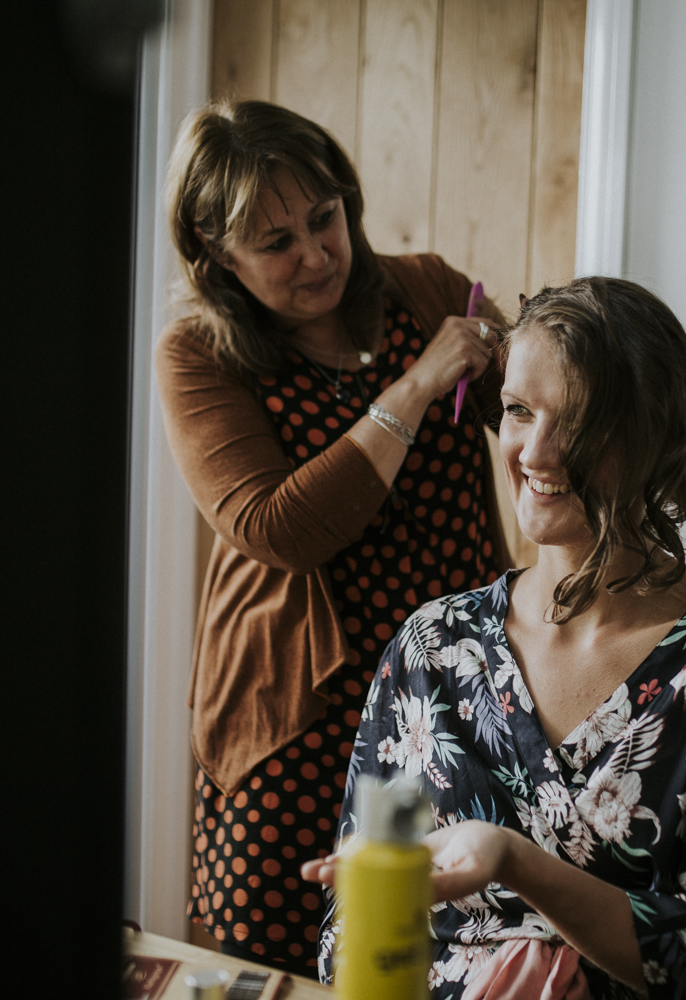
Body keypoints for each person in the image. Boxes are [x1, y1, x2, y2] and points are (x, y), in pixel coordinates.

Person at [305, 277, 686, 999]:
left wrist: (517, 864)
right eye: (518, 411)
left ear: (651, 437)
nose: (534, 452)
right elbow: (346, 938)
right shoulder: (432, 648)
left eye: (579, 422)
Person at [156, 99, 514, 973]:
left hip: (448, 702)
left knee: (433, 958)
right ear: (214, 251)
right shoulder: (199, 356)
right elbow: (280, 527)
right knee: (274, 962)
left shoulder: (426, 288)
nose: (316, 254)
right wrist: (419, 384)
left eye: (325, 218)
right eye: (276, 242)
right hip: (295, 712)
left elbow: (541, 430)